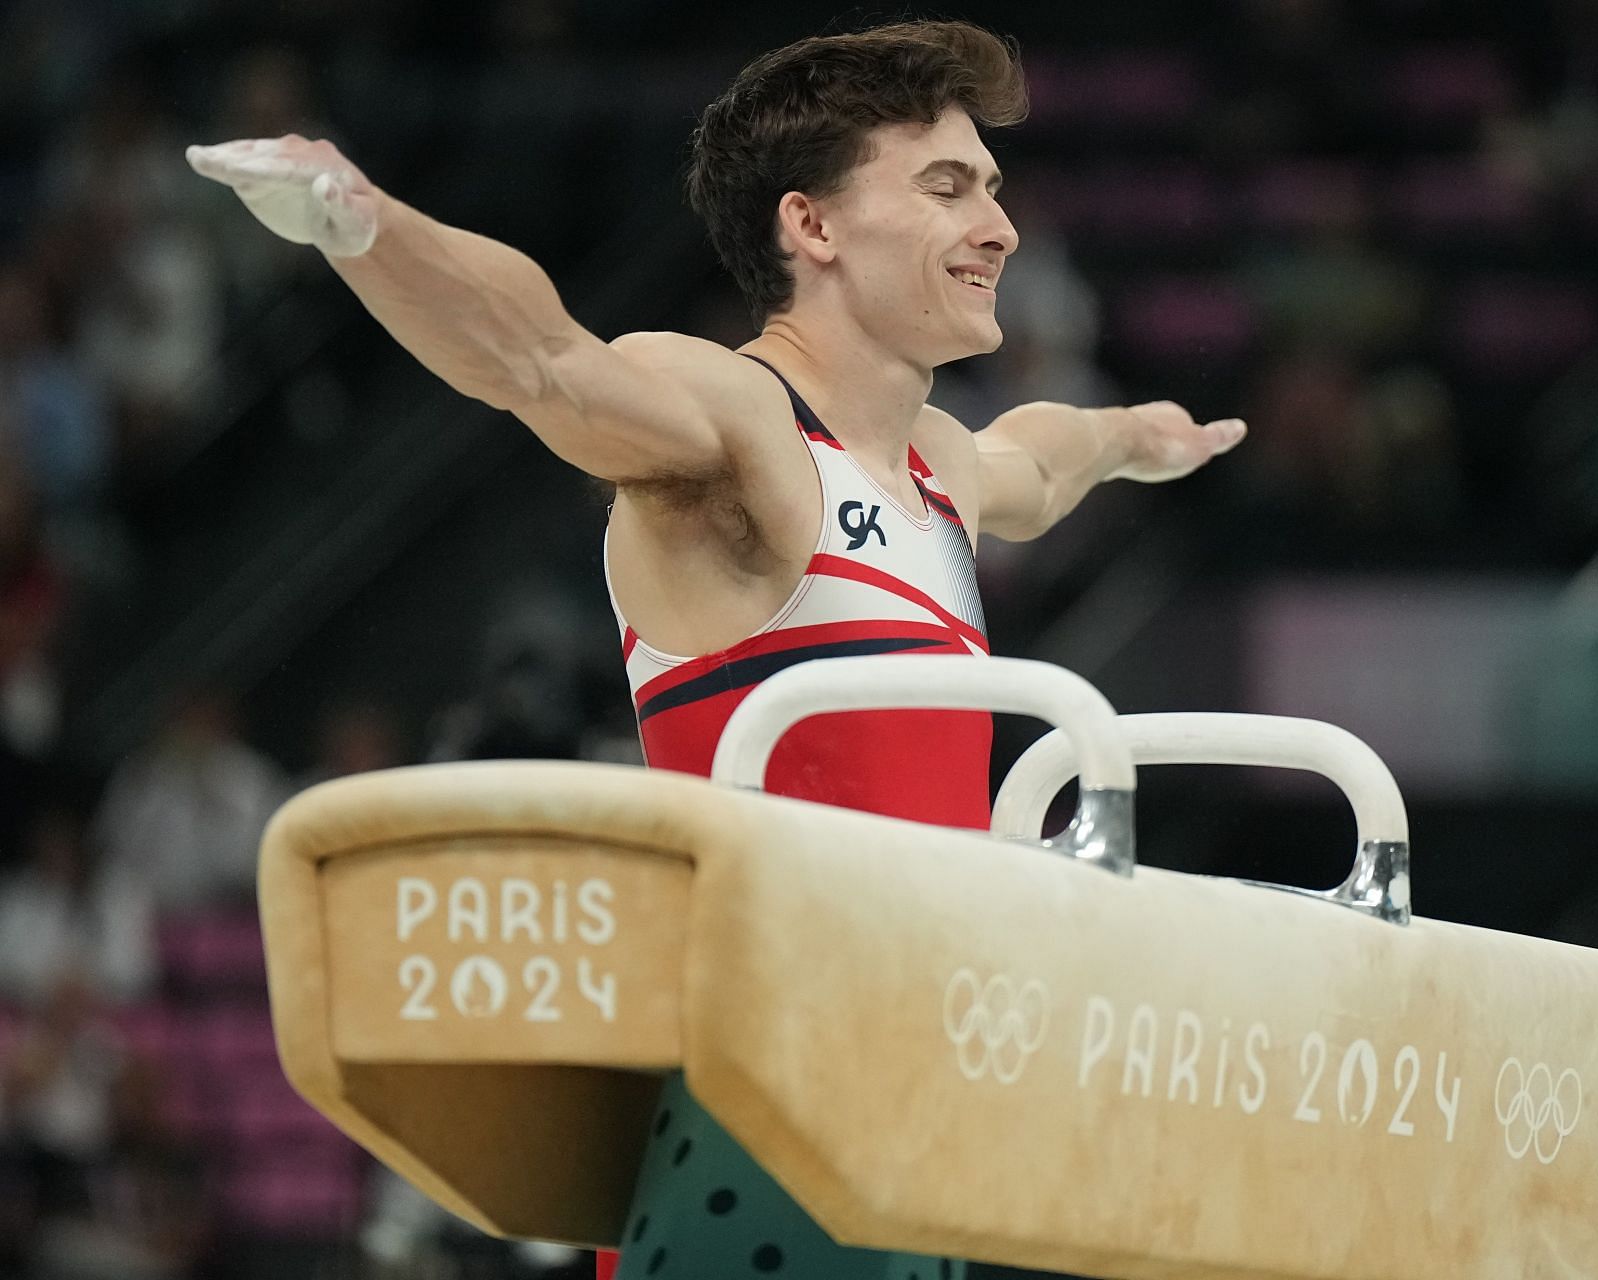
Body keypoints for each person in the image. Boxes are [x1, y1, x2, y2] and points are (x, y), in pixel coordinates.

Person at [185, 19, 1245, 1280]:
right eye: (949, 186)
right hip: (764, 1115)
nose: (1001, 226)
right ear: (814, 227)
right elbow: (542, 359)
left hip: (927, 1112)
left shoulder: (941, 471)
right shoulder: (743, 420)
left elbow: (1044, 456)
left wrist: (1134, 435)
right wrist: (363, 221)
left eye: (996, 189)